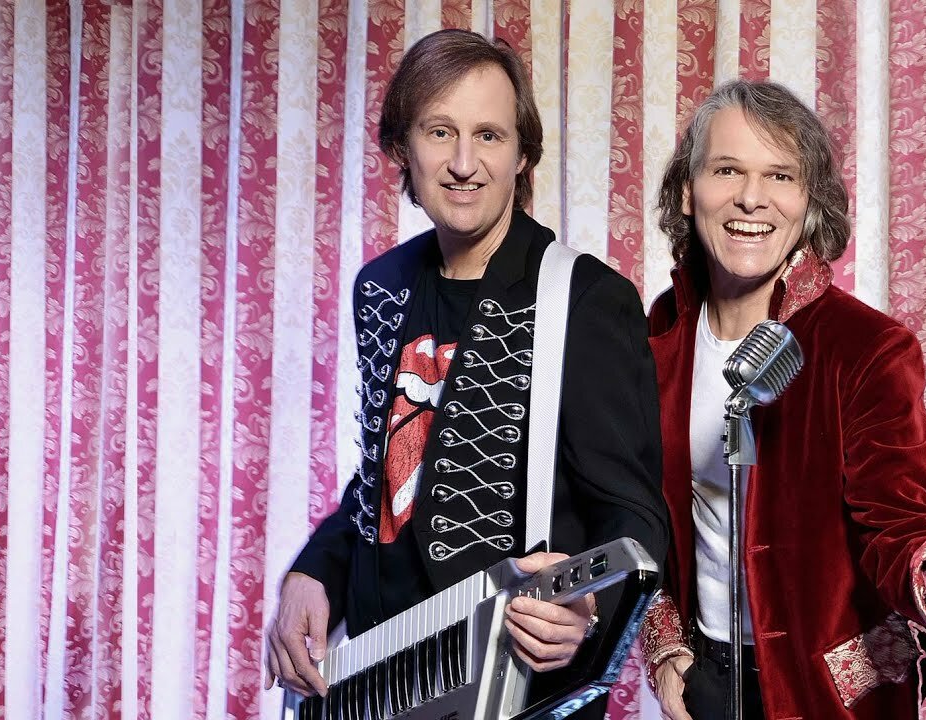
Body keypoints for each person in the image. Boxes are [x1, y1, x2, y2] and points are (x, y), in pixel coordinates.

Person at [264, 30, 669, 716]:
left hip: (515, 687)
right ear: (404, 147)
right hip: (380, 678)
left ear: (522, 153)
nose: (462, 162)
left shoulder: (584, 298)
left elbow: (635, 513)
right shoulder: (382, 286)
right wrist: (313, 569)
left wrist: (587, 605)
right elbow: (392, 471)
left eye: (488, 135)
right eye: (439, 131)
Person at [639, 80, 926, 719]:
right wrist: (665, 644)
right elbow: (644, 512)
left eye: (780, 175)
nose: (751, 197)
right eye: (727, 169)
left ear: (808, 201)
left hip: (824, 693)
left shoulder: (867, 348)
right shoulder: (661, 332)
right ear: (686, 191)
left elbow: (898, 522)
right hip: (708, 678)